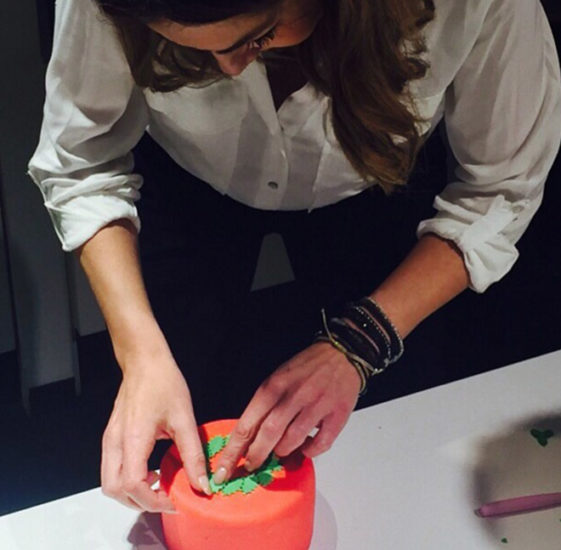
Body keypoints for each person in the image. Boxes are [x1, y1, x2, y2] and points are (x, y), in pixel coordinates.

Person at [28, 0, 560, 515]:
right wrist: (140, 354)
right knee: (174, 397)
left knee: (383, 422)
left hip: (377, 181)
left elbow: (500, 190)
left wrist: (364, 340)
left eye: (256, 38)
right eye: (184, 48)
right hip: (184, 177)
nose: (230, 70)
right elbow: (82, 161)